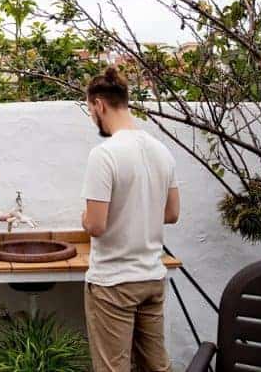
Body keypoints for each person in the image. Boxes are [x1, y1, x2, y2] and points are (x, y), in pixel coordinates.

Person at [81, 66, 180, 372]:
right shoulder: (161, 151)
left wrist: (84, 217)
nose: (92, 117)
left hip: (113, 283)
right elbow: (172, 214)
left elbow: (96, 225)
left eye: (90, 110)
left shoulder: (104, 154)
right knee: (156, 367)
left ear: (99, 105)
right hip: (151, 276)